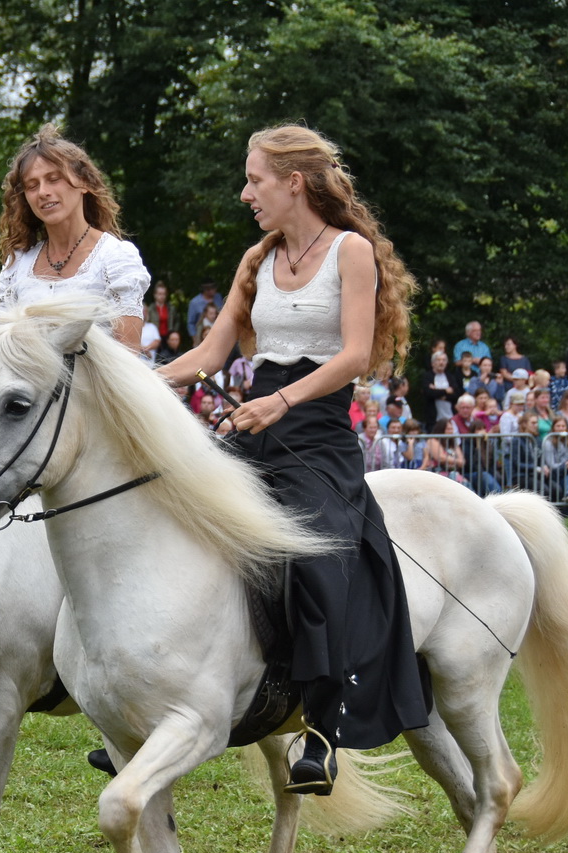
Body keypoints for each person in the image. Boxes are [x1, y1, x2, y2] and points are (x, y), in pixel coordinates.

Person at [156, 123, 429, 795]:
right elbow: (212, 355)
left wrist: (280, 404)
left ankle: (322, 726)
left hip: (318, 434)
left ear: (293, 183)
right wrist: (134, 382)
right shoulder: (257, 259)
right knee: (170, 519)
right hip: (256, 424)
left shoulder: (350, 253)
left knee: (314, 556)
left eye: (254, 179)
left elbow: (354, 357)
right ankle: (154, 701)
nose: (246, 192)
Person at [0, 124, 150, 352]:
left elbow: (128, 359)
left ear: (84, 183)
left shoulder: (115, 259)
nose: (43, 192)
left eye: (54, 179)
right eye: (32, 186)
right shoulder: (17, 265)